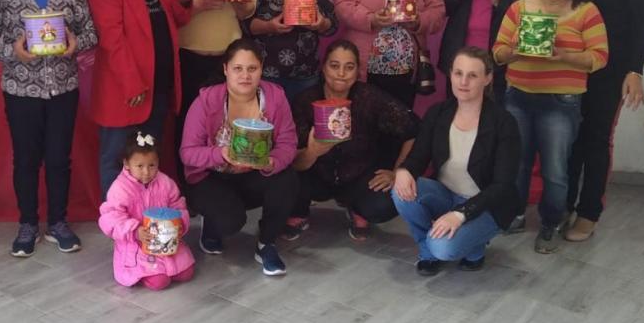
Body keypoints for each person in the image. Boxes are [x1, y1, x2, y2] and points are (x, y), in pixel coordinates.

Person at [0, 0, 97, 257]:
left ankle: (58, 222)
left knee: (59, 158)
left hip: (63, 88)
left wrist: (76, 43)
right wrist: (12, 52)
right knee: (26, 159)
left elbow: (91, 32)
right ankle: (27, 224)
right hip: (21, 90)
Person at [493, 0, 609, 253]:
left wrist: (563, 55)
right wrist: (516, 51)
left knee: (555, 169)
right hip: (518, 96)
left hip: (561, 101)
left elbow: (599, 57)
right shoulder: (519, 8)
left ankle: (551, 222)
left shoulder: (586, 11)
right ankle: (516, 214)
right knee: (517, 163)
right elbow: (498, 53)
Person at [565, 0, 644, 242]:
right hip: (572, 66)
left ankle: (589, 213)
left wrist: (635, 70)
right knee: (568, 140)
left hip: (611, 70)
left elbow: (642, 21)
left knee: (596, 139)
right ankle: (562, 206)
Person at [88, 0, 196, 195]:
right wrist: (132, 83)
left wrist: (192, 1)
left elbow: (178, 17)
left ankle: (144, 213)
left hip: (158, 86)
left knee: (147, 159)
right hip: (124, 88)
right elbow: (111, 38)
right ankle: (115, 217)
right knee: (116, 157)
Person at [392, 47, 521, 275]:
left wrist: (460, 214)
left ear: (487, 78)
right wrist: (403, 171)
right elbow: (418, 157)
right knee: (400, 190)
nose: (463, 82)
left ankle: (471, 245)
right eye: (458, 73)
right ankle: (427, 251)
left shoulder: (504, 122)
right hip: (446, 194)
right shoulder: (438, 112)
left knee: (443, 248)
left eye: (473, 75)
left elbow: (503, 185)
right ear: (450, 74)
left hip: (486, 205)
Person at [180, 39, 297, 276]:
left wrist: (272, 162)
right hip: (212, 177)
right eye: (238, 68)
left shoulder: (275, 98)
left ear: (261, 69)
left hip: (253, 174)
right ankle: (212, 222)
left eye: (252, 68)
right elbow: (187, 152)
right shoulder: (206, 101)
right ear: (225, 69)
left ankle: (267, 243)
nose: (245, 75)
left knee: (288, 178)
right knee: (230, 222)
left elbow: (288, 143)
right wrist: (220, 154)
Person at [288, 40, 418, 241]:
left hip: (358, 176)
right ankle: (299, 212)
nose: (341, 73)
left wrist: (398, 171)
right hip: (315, 175)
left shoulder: (370, 97)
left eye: (349, 67)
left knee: (383, 205)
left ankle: (357, 208)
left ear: (358, 71)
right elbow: (293, 162)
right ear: (324, 68)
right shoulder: (306, 100)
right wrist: (312, 152)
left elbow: (413, 129)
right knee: (286, 178)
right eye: (334, 66)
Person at [99, 131, 195, 289]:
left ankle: (166, 267)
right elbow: (111, 218)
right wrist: (135, 231)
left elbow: (178, 205)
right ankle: (145, 272)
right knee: (160, 282)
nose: (146, 172)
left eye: (152, 165)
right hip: (135, 244)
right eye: (140, 166)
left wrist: (180, 223)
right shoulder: (120, 188)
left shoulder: (165, 182)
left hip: (166, 239)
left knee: (187, 273)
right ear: (126, 163)